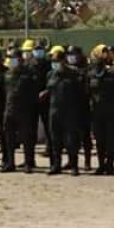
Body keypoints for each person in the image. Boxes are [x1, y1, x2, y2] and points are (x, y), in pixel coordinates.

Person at [46, 45, 83, 175]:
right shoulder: (50, 74)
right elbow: (49, 90)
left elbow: (80, 92)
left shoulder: (73, 73)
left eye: (57, 62)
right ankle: (56, 165)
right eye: (53, 62)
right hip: (54, 110)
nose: (55, 64)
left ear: (63, 61)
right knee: (55, 139)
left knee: (71, 140)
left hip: (69, 111)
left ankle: (74, 165)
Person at [89, 45, 114, 176]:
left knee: (111, 139)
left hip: (111, 111)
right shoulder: (91, 73)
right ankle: (101, 165)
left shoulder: (113, 72)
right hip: (97, 112)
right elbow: (87, 91)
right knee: (99, 140)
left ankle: (110, 165)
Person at [2, 47, 39, 173]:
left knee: (26, 138)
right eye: (10, 59)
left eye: (13, 58)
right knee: (9, 137)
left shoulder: (28, 73)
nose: (11, 61)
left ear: (19, 59)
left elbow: (34, 92)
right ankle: (10, 162)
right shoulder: (7, 73)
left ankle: (28, 163)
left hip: (24, 110)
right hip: (9, 108)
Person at [67, 45, 92, 171]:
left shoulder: (86, 69)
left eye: (74, 54)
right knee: (70, 136)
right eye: (69, 54)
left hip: (83, 106)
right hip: (70, 107)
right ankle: (71, 160)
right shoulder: (67, 69)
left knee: (85, 135)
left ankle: (87, 161)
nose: (71, 57)